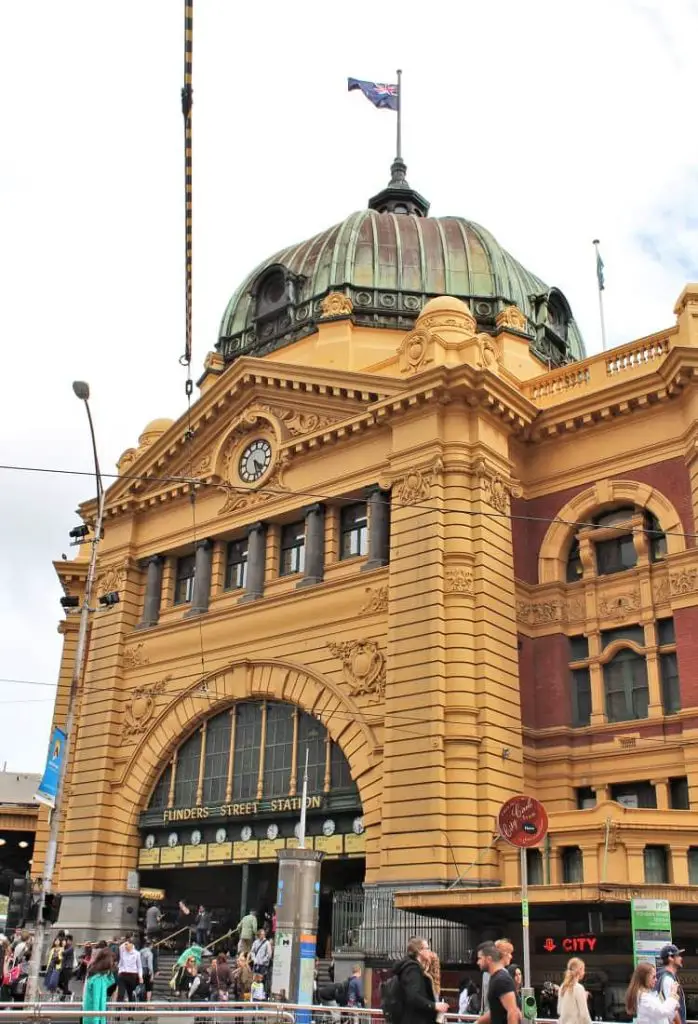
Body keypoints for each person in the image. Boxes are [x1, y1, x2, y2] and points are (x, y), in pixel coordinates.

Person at [391, 936, 449, 1024]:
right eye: (427, 948)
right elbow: (413, 996)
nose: (430, 951)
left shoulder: (412, 968)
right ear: (419, 951)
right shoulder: (413, 969)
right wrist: (434, 1006)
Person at [475, 941, 519, 1024]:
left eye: (480, 958)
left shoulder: (501, 979)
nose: (478, 962)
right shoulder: (496, 978)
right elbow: (496, 1011)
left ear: (488, 959)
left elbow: (513, 1012)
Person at [82, 947, 116, 1024]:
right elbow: (96, 1000)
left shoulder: (97, 975)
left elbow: (111, 981)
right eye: (112, 960)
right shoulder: (98, 978)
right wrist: (96, 1021)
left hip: (92, 1015)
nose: (113, 963)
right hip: (95, 1018)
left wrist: (110, 971)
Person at [481, 939, 514, 1014]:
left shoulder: (487, 973)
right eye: (509, 953)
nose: (511, 956)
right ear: (504, 954)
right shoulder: (503, 974)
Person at [657, 945, 686, 1024]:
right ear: (670, 958)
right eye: (678, 955)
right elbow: (672, 1010)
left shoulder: (665, 976)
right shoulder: (667, 979)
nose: (681, 958)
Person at [557, 958, 591, 1024]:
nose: (584, 972)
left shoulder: (562, 987)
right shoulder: (579, 988)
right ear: (579, 971)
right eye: (583, 969)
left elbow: (559, 1010)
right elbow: (584, 1015)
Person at [117, 934, 143, 1003]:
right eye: (125, 945)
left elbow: (139, 966)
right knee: (120, 994)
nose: (125, 947)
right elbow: (120, 947)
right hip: (122, 974)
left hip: (132, 975)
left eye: (127, 945)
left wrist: (140, 977)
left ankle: (130, 1010)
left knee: (130, 993)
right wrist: (125, 941)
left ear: (132, 945)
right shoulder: (123, 951)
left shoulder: (137, 953)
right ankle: (118, 1011)